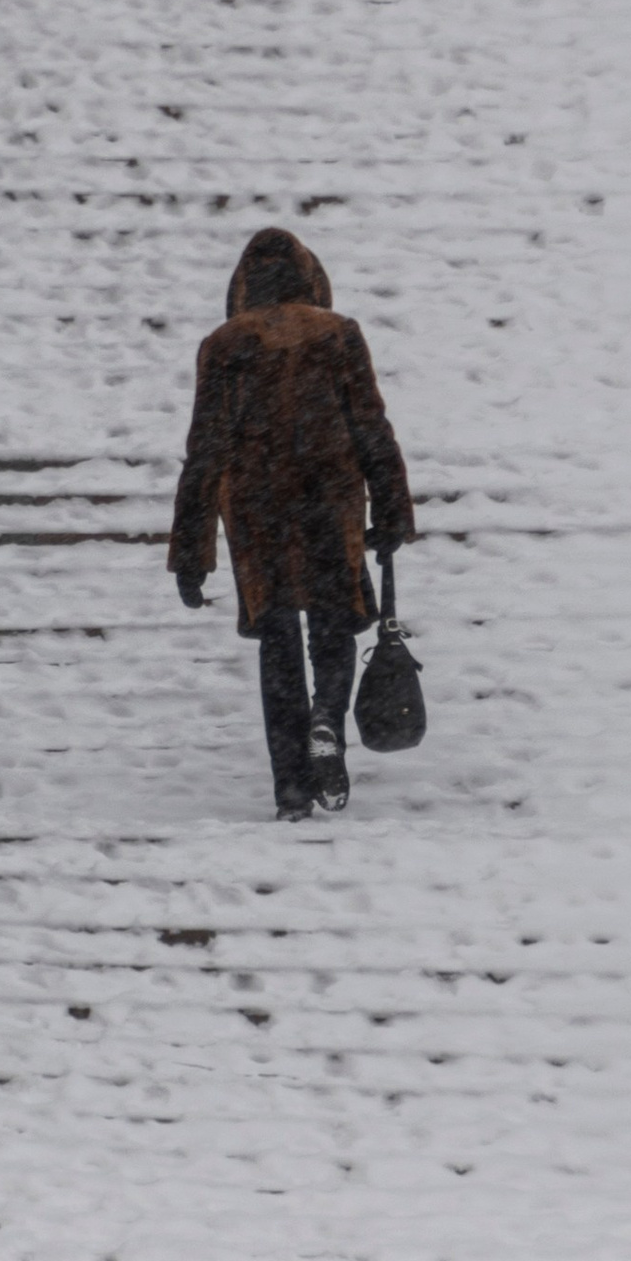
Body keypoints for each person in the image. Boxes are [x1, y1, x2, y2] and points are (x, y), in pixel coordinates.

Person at [169, 226, 416, 820]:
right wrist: (389, 510)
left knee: (277, 641)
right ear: (311, 278)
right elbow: (372, 427)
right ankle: (328, 717)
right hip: (327, 497)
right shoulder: (339, 334)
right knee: (332, 628)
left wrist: (192, 552)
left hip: (256, 509)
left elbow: (203, 451)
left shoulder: (224, 344)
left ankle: (290, 791)